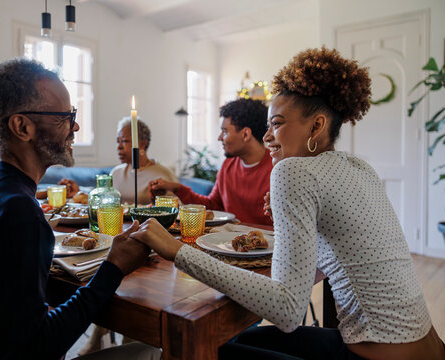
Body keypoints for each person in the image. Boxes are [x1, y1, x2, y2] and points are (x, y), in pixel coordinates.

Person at [130, 47, 445, 359]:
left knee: (200, 346)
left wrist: (176, 251)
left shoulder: (292, 170)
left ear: (316, 126)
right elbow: (343, 255)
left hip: (376, 357)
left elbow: (287, 310)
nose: (267, 137)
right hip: (427, 346)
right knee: (229, 340)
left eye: (276, 123)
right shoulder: (359, 167)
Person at [0, 58, 160, 359]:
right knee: (151, 352)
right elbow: (35, 349)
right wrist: (113, 269)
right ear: (22, 126)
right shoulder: (17, 212)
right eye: (66, 115)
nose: (75, 125)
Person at [148, 98, 273, 226]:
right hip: (227, 242)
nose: (220, 138)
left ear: (245, 134)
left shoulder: (276, 168)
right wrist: (176, 188)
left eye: (225, 131)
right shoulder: (228, 165)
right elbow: (213, 205)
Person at [111, 116, 178, 205]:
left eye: (124, 141)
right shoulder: (115, 173)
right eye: (117, 141)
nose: (119, 147)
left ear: (142, 144)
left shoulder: (163, 174)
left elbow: (175, 209)